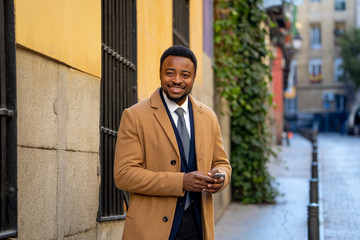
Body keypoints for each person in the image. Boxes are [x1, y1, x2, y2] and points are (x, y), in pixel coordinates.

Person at [114, 45, 232, 240]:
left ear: (193, 78)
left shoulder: (208, 117)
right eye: (170, 73)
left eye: (185, 75)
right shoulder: (135, 116)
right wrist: (181, 181)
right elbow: (124, 175)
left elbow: (222, 164)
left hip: (198, 225)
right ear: (160, 73)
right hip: (150, 229)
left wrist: (220, 178)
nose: (177, 80)